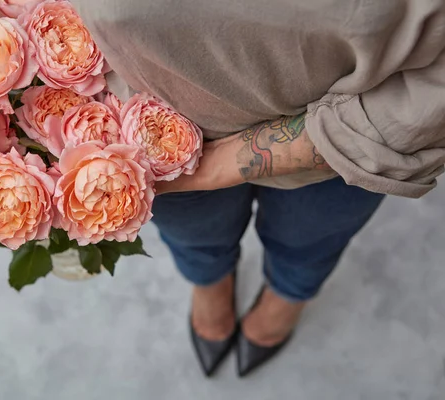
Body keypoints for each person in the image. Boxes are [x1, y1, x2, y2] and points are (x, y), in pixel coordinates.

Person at [73, 0, 445, 376]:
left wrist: (216, 167)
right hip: (146, 126)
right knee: (196, 240)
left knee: (309, 243)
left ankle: (288, 293)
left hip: (354, 133)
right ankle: (209, 282)